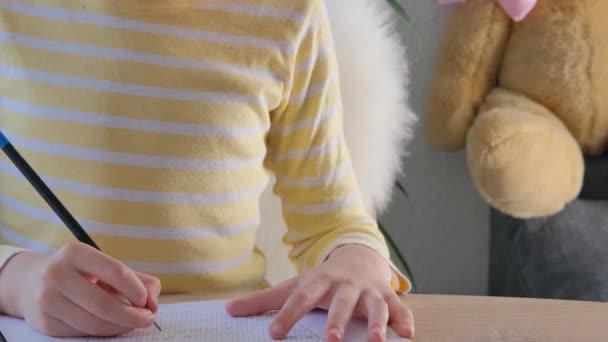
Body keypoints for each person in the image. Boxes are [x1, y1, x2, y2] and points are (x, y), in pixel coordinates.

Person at [0, 0, 414, 341]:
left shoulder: (291, 13)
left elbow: (332, 223)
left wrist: (358, 262)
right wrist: (17, 281)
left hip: (226, 328)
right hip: (41, 328)